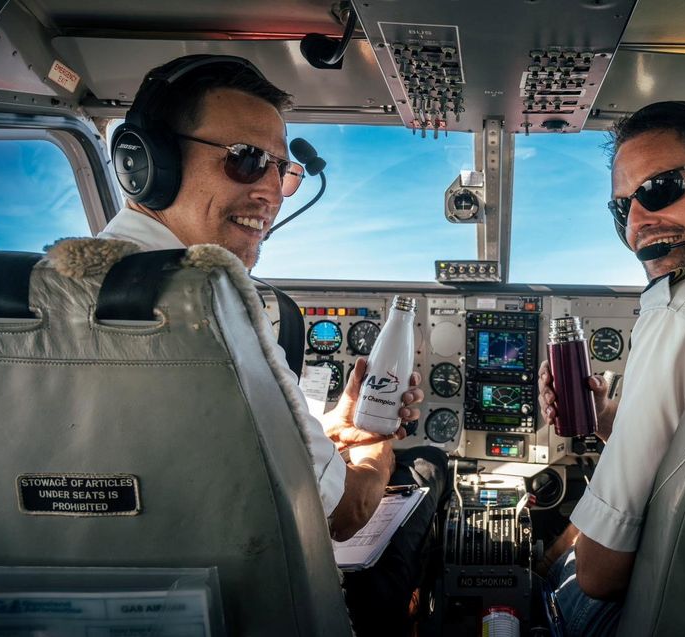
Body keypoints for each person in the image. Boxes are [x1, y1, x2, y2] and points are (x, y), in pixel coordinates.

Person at [98, 55, 448, 635]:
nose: (271, 191)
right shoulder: (215, 311)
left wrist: (336, 426)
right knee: (428, 466)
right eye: (246, 160)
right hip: (250, 614)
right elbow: (345, 513)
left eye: (280, 169)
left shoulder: (25, 304)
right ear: (145, 161)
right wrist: (377, 439)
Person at [536, 101, 685, 635]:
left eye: (659, 188)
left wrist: (566, 553)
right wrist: (602, 417)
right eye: (622, 208)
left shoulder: (683, 311)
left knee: (548, 576)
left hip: (684, 610)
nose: (638, 224)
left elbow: (601, 575)